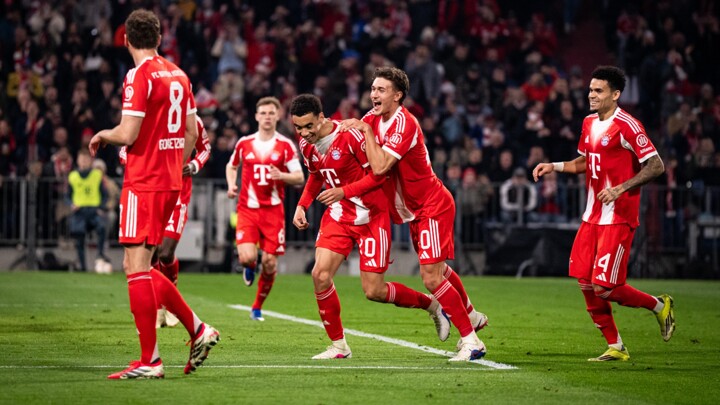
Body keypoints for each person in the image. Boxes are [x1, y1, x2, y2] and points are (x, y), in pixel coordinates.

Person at [88, 9, 219, 379]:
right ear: (159, 39)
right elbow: (192, 133)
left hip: (144, 180)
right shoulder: (179, 75)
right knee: (139, 265)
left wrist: (102, 134)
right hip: (170, 182)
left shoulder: (138, 75)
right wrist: (173, 166)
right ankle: (195, 330)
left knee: (135, 267)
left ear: (125, 40)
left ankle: (152, 360)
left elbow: (127, 134)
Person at [340, 67, 487, 361]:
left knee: (431, 278)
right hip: (413, 211)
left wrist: (365, 132)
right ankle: (470, 315)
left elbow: (380, 167)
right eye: (373, 89)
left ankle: (472, 341)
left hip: (431, 205)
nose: (373, 94)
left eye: (381, 90)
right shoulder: (372, 119)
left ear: (397, 96)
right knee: (439, 271)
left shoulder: (404, 123)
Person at [290, 94, 450, 360]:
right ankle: (339, 346)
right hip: (340, 215)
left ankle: (431, 305)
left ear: (321, 117)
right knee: (320, 275)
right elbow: (316, 176)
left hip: (372, 215)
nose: (305, 133)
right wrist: (302, 205)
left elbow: (379, 176)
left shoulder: (350, 136)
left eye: (309, 126)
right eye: (298, 128)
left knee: (374, 291)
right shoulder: (306, 145)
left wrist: (344, 191)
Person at [533, 65, 675, 361]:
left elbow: (656, 165)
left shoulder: (628, 125)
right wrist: (554, 166)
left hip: (618, 217)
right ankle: (616, 346)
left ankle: (659, 306)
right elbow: (585, 162)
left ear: (616, 94)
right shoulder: (588, 123)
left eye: (598, 90)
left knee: (605, 287)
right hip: (592, 216)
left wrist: (621, 188)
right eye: (590, 90)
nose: (591, 95)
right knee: (585, 282)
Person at [118, 117, 212, 328]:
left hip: (178, 194)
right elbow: (124, 149)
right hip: (150, 192)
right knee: (149, 254)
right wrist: (139, 162)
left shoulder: (191, 119)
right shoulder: (145, 116)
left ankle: (171, 301)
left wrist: (194, 165)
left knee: (165, 252)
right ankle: (157, 305)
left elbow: (205, 148)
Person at [226, 96, 305, 321]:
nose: (267, 117)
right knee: (246, 257)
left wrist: (282, 176)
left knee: (269, 263)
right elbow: (231, 166)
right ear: (256, 116)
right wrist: (231, 185)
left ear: (278, 116)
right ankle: (249, 266)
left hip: (273, 211)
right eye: (263, 113)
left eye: (271, 113)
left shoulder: (285, 145)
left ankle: (257, 307)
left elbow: (299, 177)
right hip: (248, 209)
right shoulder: (245, 143)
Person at [67, 149, 108, 272]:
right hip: (79, 212)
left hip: (94, 210)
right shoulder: (73, 176)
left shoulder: (97, 175)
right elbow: (67, 196)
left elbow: (104, 195)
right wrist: (71, 204)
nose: (84, 162)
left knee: (102, 227)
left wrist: (101, 207)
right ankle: (82, 266)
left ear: (91, 161)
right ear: (77, 161)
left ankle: (100, 255)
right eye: (82, 159)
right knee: (79, 237)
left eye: (86, 159)